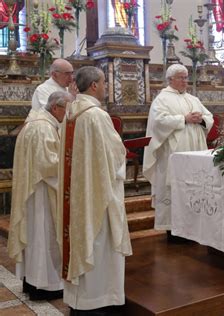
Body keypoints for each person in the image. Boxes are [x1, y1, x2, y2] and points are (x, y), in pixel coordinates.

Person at [57, 66, 132, 314]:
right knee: (99, 244)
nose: (106, 87)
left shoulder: (71, 112)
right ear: (94, 86)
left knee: (82, 238)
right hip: (98, 193)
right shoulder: (97, 116)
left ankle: (80, 302)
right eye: (104, 82)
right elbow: (114, 156)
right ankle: (99, 301)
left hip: (77, 194)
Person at [7, 91, 71, 301]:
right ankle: (46, 285)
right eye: (66, 109)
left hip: (33, 190)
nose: (68, 114)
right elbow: (49, 165)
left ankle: (32, 279)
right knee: (45, 237)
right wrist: (73, 167)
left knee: (36, 238)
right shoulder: (44, 128)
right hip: (43, 192)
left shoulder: (35, 122)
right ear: (56, 108)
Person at [143, 64, 214, 232]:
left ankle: (194, 226)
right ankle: (174, 229)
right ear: (170, 79)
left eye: (186, 77)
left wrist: (201, 119)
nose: (184, 81)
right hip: (173, 152)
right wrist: (184, 119)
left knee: (194, 187)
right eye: (181, 77)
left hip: (195, 150)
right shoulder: (162, 99)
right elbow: (159, 121)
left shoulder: (193, 99)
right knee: (175, 188)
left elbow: (209, 116)